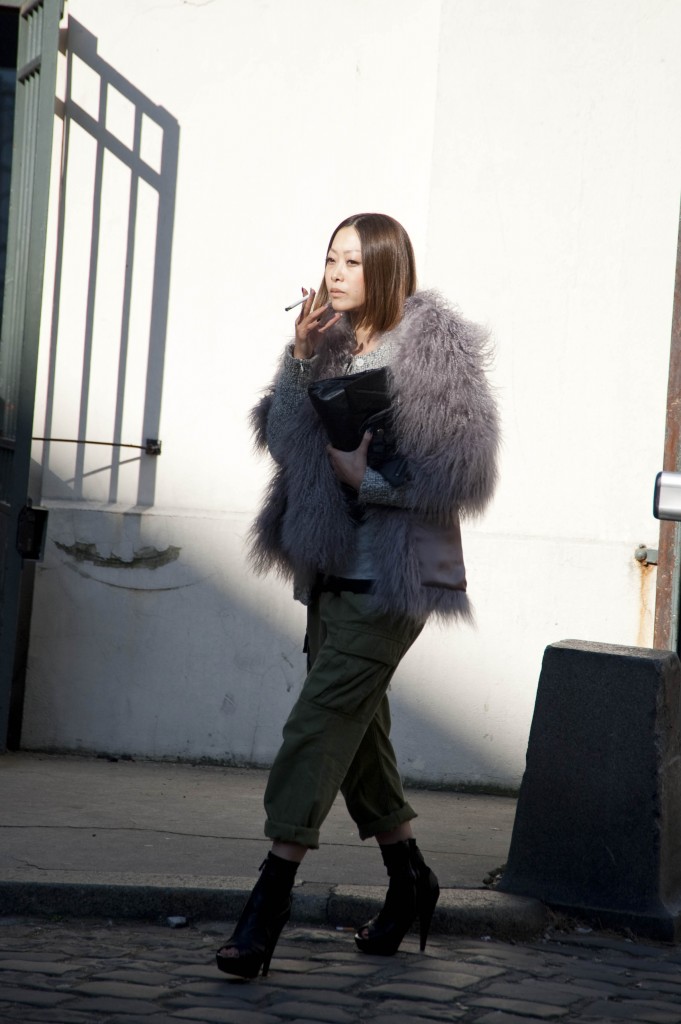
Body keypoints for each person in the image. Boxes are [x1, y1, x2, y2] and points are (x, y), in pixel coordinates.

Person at [216, 212, 499, 979]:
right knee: (359, 732)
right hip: (329, 572)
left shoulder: (431, 345)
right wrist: (300, 360)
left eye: (351, 261)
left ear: (384, 268)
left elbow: (463, 472)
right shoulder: (328, 342)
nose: (335, 274)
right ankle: (411, 881)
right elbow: (282, 443)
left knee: (318, 723)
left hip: (393, 578)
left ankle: (265, 906)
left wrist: (366, 479)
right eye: (330, 259)